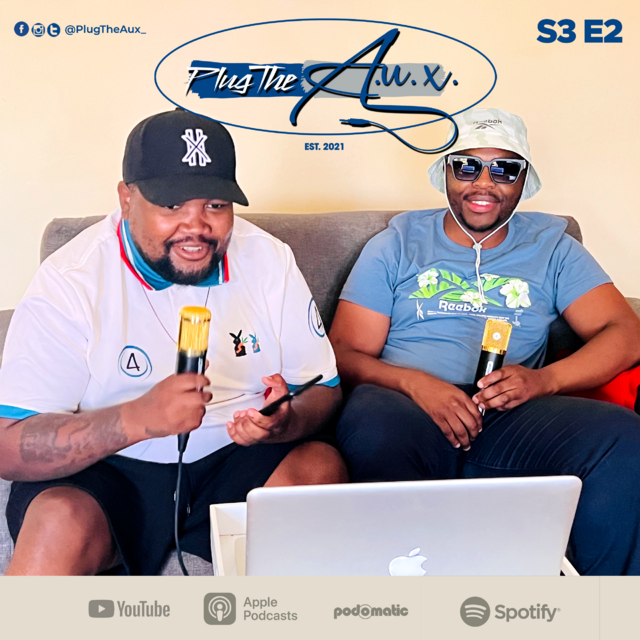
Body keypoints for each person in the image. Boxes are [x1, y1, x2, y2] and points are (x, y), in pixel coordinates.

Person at [0, 109, 346, 575]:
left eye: (215, 205)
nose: (196, 226)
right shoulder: (71, 279)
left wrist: (284, 421)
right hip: (112, 468)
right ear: (126, 198)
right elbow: (9, 445)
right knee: (57, 520)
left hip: (236, 457)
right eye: (172, 205)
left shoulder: (268, 258)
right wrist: (135, 419)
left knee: (319, 468)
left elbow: (324, 390)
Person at [329, 107, 640, 575]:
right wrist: (416, 384)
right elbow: (344, 353)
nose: (483, 183)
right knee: (373, 423)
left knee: (622, 436)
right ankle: (404, 600)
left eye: (504, 169)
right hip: (405, 409)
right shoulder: (398, 242)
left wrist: (544, 381)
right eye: (467, 166)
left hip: (510, 414)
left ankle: (607, 605)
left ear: (523, 180)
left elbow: (626, 334)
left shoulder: (552, 246)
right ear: (446, 172)